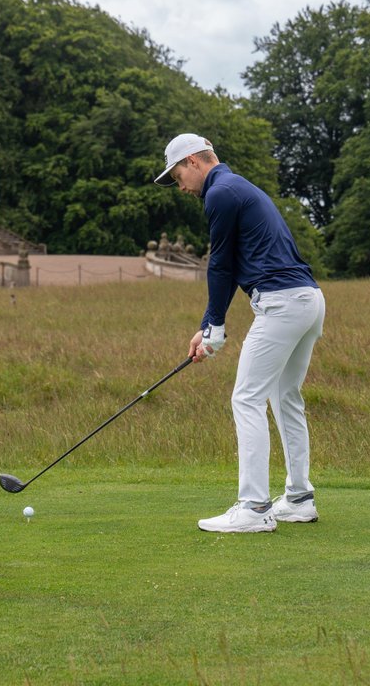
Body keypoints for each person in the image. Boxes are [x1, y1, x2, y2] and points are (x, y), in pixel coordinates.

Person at [154, 133, 326, 533]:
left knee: (246, 398)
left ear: (195, 161)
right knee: (284, 397)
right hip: (308, 299)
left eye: (178, 174)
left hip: (282, 303)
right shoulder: (237, 187)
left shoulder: (220, 193)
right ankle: (299, 499)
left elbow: (220, 266)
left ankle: (254, 508)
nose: (179, 185)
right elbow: (229, 266)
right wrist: (209, 325)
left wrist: (213, 327)